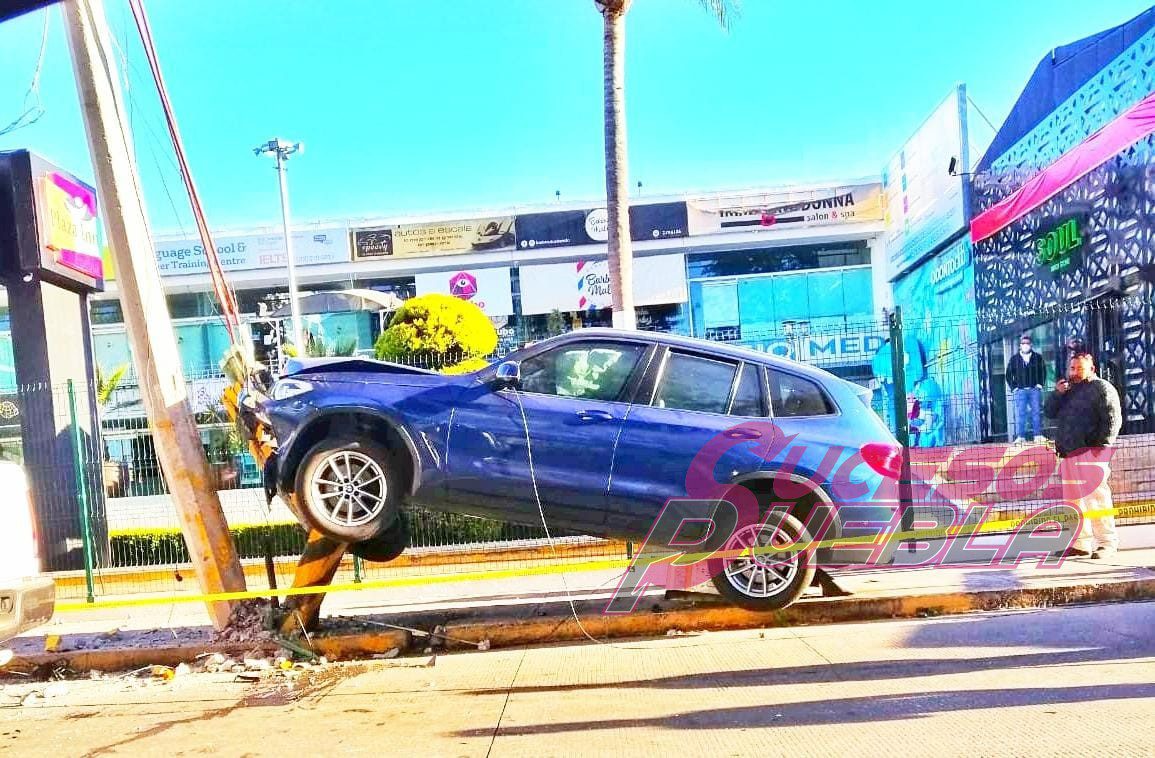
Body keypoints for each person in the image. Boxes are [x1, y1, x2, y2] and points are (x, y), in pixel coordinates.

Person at [1044, 352, 1123, 559]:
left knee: (1097, 499)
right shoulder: (1067, 391)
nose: (1075, 372)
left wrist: (1101, 447)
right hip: (1068, 454)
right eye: (1072, 368)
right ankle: (1079, 544)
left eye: (1080, 368)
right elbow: (1049, 412)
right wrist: (1057, 394)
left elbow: (1113, 419)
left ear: (1092, 369)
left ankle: (1107, 543)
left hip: (1091, 452)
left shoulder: (1102, 388)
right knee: (1074, 502)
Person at [1005, 333, 1046, 443]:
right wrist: (1014, 388)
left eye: (1027, 343)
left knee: (1036, 412)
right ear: (1020, 345)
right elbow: (1008, 374)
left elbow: (1043, 371)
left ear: (1031, 345)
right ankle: (1021, 436)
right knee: (1021, 413)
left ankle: (1037, 435)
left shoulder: (1037, 357)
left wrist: (1039, 385)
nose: (1025, 345)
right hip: (1021, 391)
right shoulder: (1014, 359)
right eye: (1023, 343)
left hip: (1034, 390)